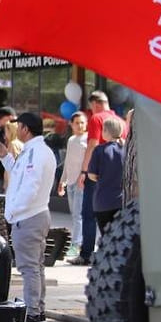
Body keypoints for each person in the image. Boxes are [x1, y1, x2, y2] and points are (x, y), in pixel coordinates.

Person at [0, 111, 56, 322]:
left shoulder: (34, 154)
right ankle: (37, 310)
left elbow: (30, 187)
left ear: (26, 129)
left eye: (19, 126)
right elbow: (21, 174)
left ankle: (32, 312)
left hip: (28, 216)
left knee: (29, 267)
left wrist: (14, 212)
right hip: (37, 213)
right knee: (36, 266)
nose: (16, 129)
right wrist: (5, 157)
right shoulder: (38, 151)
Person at [86, 115, 127, 238]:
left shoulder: (100, 150)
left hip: (103, 201)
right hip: (122, 201)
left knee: (106, 238)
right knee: (120, 238)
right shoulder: (126, 149)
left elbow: (92, 175)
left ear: (106, 132)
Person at [58, 112, 90, 262]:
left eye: (82, 122)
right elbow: (68, 162)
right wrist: (62, 180)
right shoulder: (71, 140)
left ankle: (76, 244)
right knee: (74, 213)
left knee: (78, 214)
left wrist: (83, 176)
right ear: (71, 124)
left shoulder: (87, 139)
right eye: (77, 123)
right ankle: (78, 241)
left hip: (80, 182)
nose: (80, 125)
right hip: (70, 182)